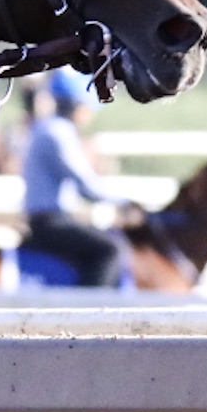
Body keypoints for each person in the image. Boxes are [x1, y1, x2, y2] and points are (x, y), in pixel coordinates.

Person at [20, 67, 133, 287]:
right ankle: (88, 316)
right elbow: (86, 187)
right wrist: (127, 203)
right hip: (51, 223)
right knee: (111, 249)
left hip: (49, 219)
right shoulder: (58, 132)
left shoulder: (51, 128)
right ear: (78, 106)